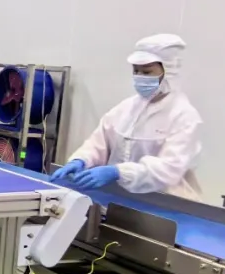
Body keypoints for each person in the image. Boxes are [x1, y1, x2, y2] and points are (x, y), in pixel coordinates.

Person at [50, 33, 202, 200]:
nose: (139, 76)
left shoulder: (184, 116)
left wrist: (118, 172)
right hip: (121, 199)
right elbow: (99, 142)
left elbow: (168, 170)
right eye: (136, 71)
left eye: (147, 72)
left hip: (167, 205)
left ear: (169, 71)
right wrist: (81, 160)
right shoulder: (127, 108)